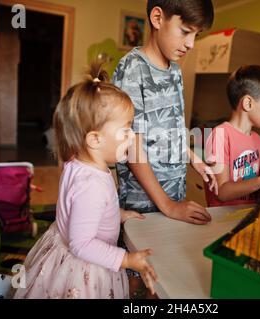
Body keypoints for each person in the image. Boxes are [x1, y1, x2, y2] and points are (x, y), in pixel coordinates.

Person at [13, 62, 157, 299]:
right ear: (95, 140)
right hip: (83, 267)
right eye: (126, 130)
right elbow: (82, 244)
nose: (132, 137)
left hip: (61, 243)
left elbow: (83, 210)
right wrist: (126, 259)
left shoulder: (79, 163)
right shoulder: (91, 184)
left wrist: (118, 214)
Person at [112, 0, 217, 225]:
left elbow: (172, 129)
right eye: (185, 32)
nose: (190, 44)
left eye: (196, 35)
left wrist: (193, 158)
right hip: (143, 204)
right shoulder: (132, 68)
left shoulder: (175, 71)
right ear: (158, 18)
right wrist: (167, 206)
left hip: (173, 196)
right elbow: (131, 146)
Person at [204, 65, 260, 207]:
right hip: (221, 219)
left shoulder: (256, 138)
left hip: (247, 214)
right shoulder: (220, 135)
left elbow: (256, 187)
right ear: (248, 103)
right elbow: (222, 192)